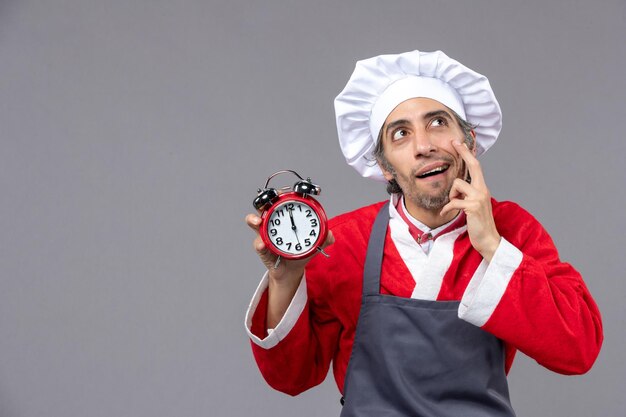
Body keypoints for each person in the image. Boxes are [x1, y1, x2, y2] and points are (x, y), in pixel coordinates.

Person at [244, 50, 603, 416]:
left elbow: (579, 349)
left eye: (438, 123)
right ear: (384, 166)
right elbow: (292, 378)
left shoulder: (512, 228)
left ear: (470, 142)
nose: (423, 146)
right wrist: (285, 280)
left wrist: (492, 246)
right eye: (400, 134)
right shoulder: (345, 240)